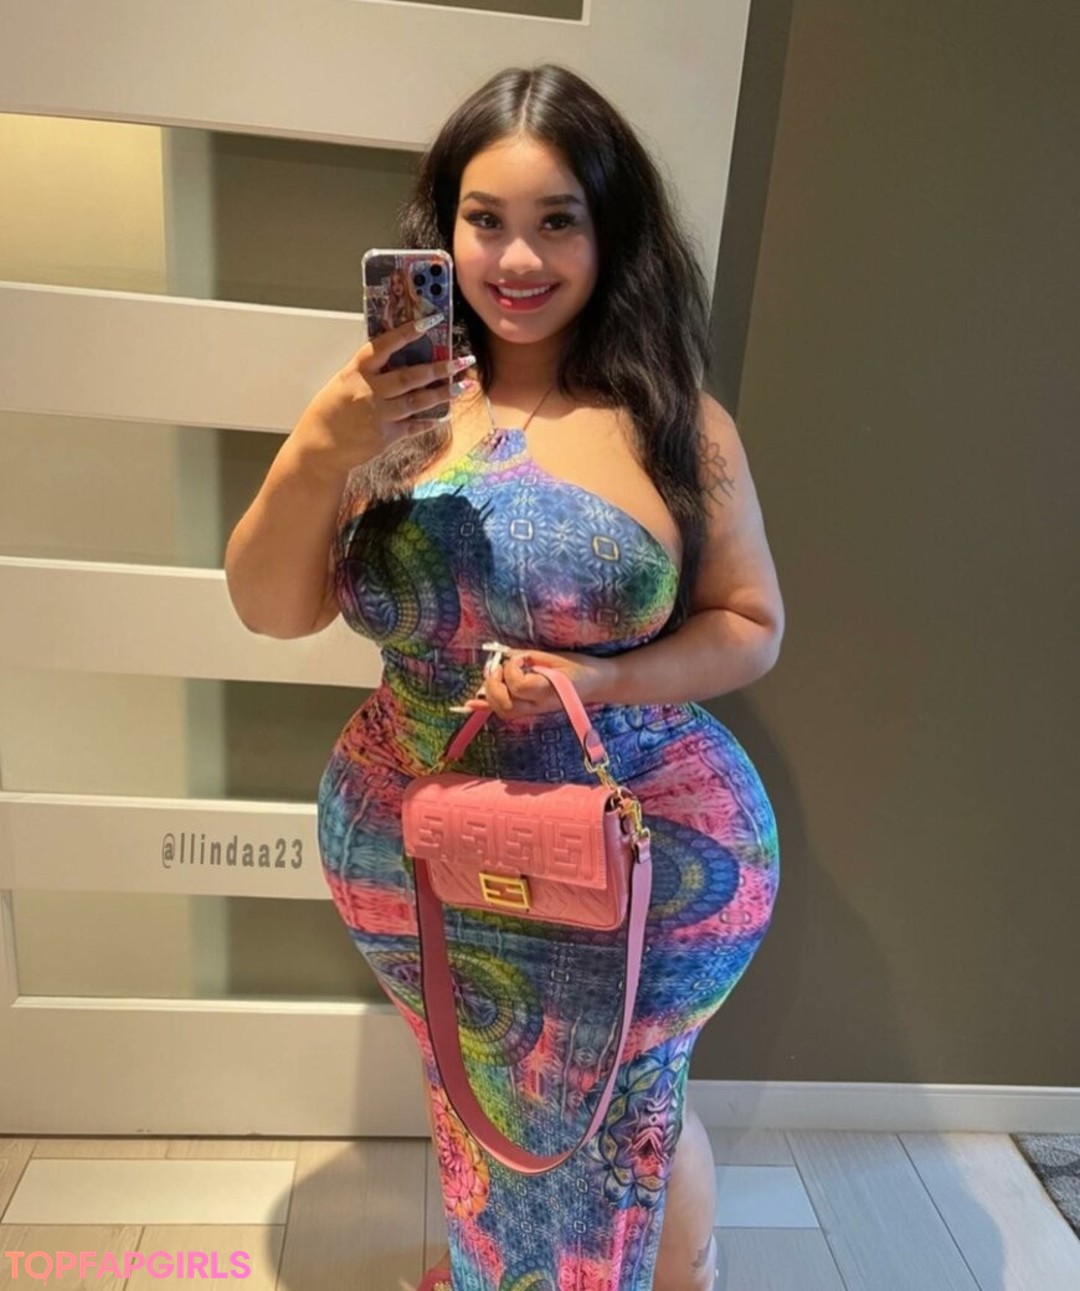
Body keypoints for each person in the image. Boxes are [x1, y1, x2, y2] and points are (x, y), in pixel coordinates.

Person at [225, 63, 783, 1291]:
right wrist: (322, 450)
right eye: (486, 219)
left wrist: (604, 678)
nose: (518, 258)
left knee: (627, 1101)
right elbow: (270, 607)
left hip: (642, 839)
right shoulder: (379, 415)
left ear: (608, 230)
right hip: (420, 835)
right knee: (473, 1083)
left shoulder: (677, 425)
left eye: (557, 220)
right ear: (444, 228)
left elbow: (751, 626)